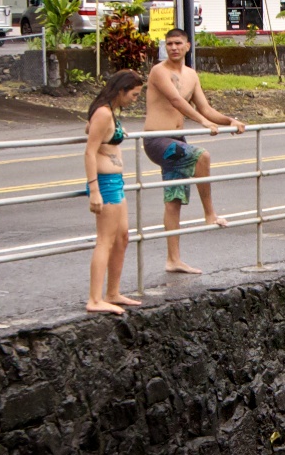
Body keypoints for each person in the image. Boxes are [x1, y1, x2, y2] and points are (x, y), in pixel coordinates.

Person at [142, 28, 243, 273]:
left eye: (178, 43)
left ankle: (173, 260)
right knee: (201, 156)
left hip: (177, 139)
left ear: (188, 45)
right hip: (157, 140)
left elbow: (205, 108)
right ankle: (210, 214)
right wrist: (203, 123)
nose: (173, 48)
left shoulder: (191, 75)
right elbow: (177, 101)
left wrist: (229, 121)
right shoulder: (159, 71)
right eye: (169, 44)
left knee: (173, 200)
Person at [83, 70, 145, 315]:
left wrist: (118, 133)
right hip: (105, 183)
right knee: (105, 241)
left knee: (122, 237)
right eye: (134, 94)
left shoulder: (109, 112)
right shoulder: (103, 113)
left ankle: (113, 292)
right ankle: (94, 298)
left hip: (116, 181)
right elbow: (89, 152)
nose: (135, 99)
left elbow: (91, 130)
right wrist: (94, 190)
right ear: (121, 90)